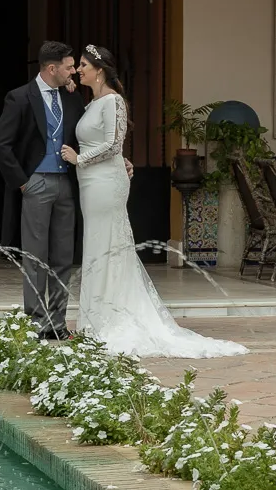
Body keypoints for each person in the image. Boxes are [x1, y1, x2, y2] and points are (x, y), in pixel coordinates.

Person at [67, 44, 246, 359]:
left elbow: (112, 142)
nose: (79, 69)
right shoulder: (91, 103)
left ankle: (111, 318)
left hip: (105, 183)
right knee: (95, 246)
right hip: (92, 182)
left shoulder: (114, 101)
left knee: (109, 245)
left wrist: (80, 158)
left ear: (100, 69)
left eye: (83, 65)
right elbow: (109, 145)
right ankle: (94, 319)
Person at [0, 41, 84, 338]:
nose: (74, 72)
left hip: (67, 184)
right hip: (36, 183)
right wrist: (22, 181)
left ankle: (57, 324)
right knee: (35, 256)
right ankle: (36, 322)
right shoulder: (19, 98)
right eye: (69, 67)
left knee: (63, 256)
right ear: (51, 68)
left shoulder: (72, 98)